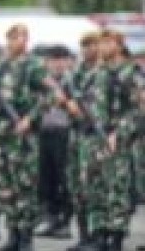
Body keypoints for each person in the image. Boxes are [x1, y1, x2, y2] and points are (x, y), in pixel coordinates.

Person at [0, 24, 60, 251]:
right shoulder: (2, 67)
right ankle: (13, 234)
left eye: (20, 38)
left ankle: (26, 237)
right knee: (4, 187)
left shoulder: (34, 66)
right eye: (11, 38)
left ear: (26, 40)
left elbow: (53, 94)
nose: (15, 42)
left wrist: (31, 118)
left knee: (24, 186)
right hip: (1, 133)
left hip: (23, 135)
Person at [74, 30, 145, 251]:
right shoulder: (98, 72)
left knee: (117, 191)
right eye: (101, 43)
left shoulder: (131, 72)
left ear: (118, 44)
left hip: (119, 141)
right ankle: (100, 234)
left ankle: (116, 238)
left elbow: (139, 109)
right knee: (96, 189)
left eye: (107, 42)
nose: (102, 47)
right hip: (96, 139)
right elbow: (86, 102)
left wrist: (119, 133)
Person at [66, 32, 101, 251]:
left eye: (91, 45)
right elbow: (66, 98)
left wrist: (79, 108)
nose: (87, 49)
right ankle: (84, 236)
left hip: (94, 137)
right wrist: (67, 104)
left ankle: (97, 238)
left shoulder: (102, 72)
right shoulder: (76, 73)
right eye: (84, 45)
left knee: (93, 188)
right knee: (76, 187)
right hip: (76, 135)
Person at [35, 45, 74, 239]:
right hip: (44, 131)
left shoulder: (72, 80)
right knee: (45, 177)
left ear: (68, 61)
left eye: (61, 59)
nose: (57, 63)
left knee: (63, 177)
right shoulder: (42, 81)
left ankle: (64, 221)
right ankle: (49, 217)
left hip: (64, 132)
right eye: (53, 59)